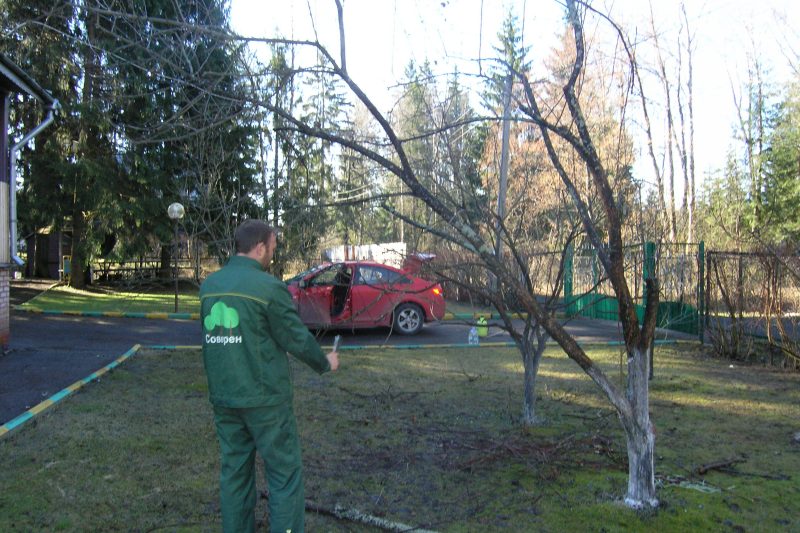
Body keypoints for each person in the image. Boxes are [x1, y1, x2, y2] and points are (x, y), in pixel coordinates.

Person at [200, 219, 339, 533]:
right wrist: (324, 362)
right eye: (273, 249)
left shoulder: (210, 286)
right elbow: (294, 336)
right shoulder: (268, 288)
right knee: (284, 474)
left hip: (224, 396)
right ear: (260, 247)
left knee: (234, 473)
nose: (272, 256)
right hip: (266, 401)